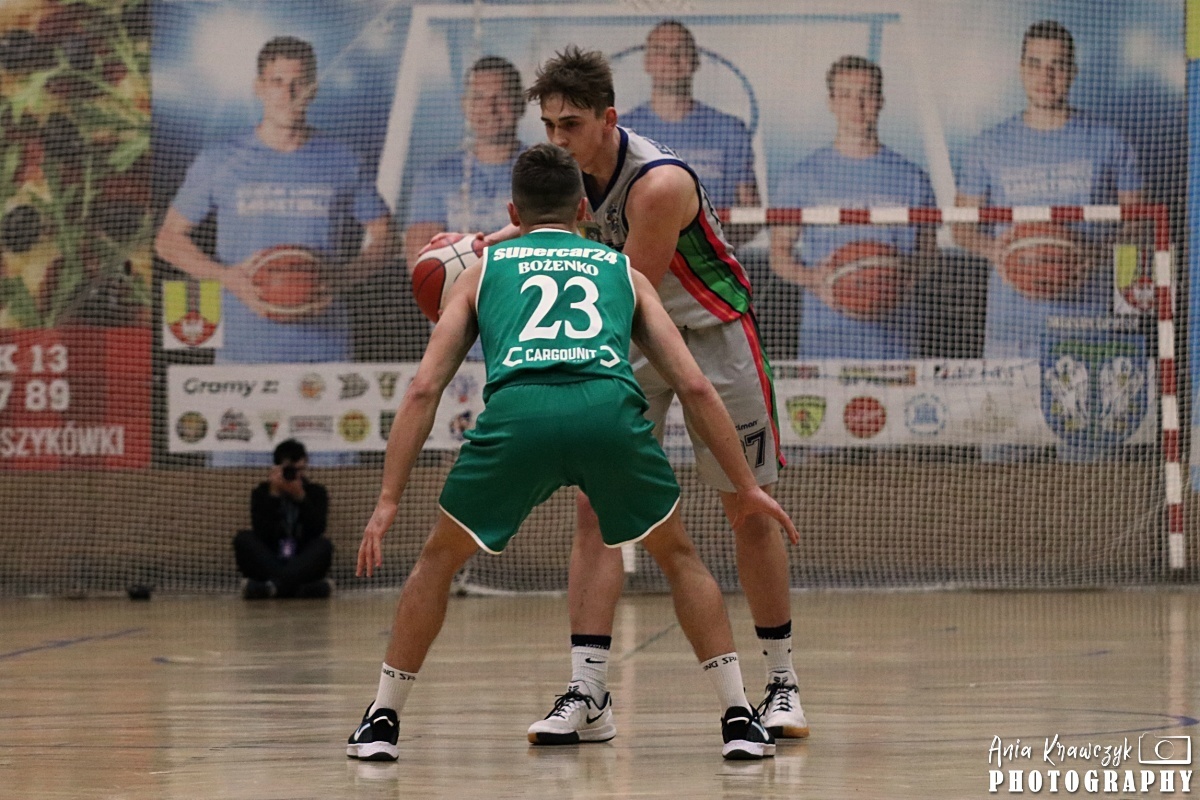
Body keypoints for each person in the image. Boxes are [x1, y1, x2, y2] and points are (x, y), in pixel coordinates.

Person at [346, 143, 798, 762]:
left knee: (438, 561)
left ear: (513, 212)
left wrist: (388, 498)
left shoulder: (481, 270)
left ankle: (382, 721)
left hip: (519, 420)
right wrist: (745, 486)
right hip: (607, 417)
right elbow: (693, 385)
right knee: (678, 557)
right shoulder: (622, 271)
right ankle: (739, 718)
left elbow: (425, 388)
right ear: (585, 209)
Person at [480, 46, 808, 743]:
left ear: (609, 120)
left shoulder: (657, 184)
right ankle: (587, 692)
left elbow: (621, 292)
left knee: (747, 507)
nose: (557, 139)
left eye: (571, 125)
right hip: (631, 333)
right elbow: (543, 230)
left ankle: (782, 684)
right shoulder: (568, 181)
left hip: (707, 335)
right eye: (548, 126)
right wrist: (472, 248)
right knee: (596, 509)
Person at [155, 35, 397, 465]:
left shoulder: (341, 158)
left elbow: (385, 238)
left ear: (314, 88)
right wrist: (228, 278)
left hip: (324, 359)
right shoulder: (221, 158)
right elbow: (168, 240)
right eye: (277, 81)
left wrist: (341, 277)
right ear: (258, 87)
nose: (288, 93)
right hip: (242, 360)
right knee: (234, 493)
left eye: (298, 82)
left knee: (334, 491)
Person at [952, 20, 1142, 460]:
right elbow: (960, 228)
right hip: (1011, 330)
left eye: (1057, 65)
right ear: (1021, 69)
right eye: (1036, 64)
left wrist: (1098, 251)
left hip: (1086, 328)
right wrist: (996, 250)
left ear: (1073, 72)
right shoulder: (989, 145)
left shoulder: (1108, 140)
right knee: (1005, 469)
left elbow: (1140, 224)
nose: (1046, 75)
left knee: (1088, 472)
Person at [770, 56, 937, 360]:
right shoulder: (802, 177)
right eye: (845, 95)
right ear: (831, 102)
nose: (857, 106)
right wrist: (814, 279)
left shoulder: (913, 178)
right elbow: (779, 254)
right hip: (825, 339)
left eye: (866, 94)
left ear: (881, 101)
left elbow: (927, 253)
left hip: (894, 341)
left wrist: (902, 278)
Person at [619, 20, 760, 247]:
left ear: (696, 61)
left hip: (710, 263)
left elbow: (750, 214)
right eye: (660, 51)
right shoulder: (623, 132)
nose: (671, 59)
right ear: (647, 62)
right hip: (642, 261)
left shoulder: (729, 129)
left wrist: (707, 251)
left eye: (681, 50)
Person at [403, 56, 527, 269]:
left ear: (520, 103)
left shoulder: (548, 172)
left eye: (501, 97)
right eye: (478, 98)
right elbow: (421, 260)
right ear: (465, 105)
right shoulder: (436, 176)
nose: (489, 108)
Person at [233, 438, 333, 599]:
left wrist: (301, 497)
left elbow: (317, 529)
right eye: (289, 470)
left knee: (324, 546)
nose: (294, 475)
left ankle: (270, 588)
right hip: (271, 555)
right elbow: (262, 532)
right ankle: (300, 589)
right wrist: (273, 495)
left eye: (298, 470)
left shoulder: (316, 492)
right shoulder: (261, 492)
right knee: (243, 539)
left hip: (302, 556)